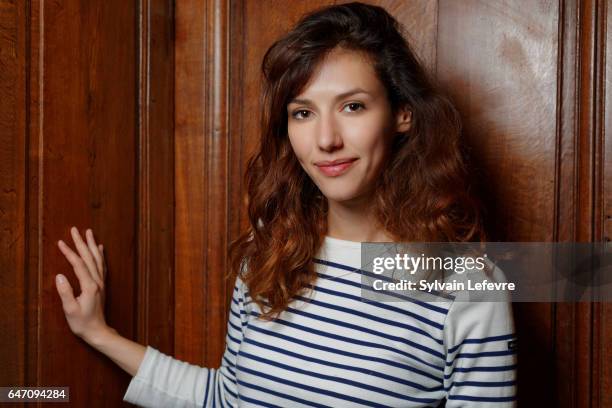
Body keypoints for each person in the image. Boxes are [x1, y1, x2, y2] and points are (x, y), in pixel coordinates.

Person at [55, 2, 517, 407]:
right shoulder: (270, 250)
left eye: (353, 106)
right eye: (302, 112)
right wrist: (99, 333)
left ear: (402, 114)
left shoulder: (469, 286)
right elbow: (225, 400)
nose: (326, 140)